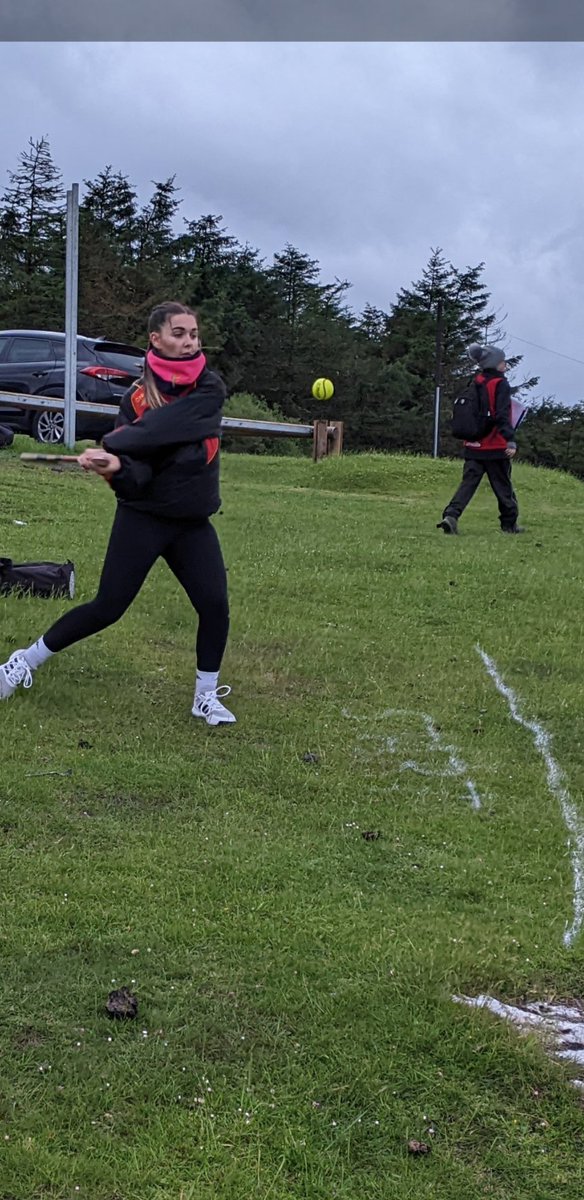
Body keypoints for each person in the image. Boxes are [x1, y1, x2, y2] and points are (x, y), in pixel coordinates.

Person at [0, 300, 236, 725]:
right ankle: (22, 661)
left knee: (214, 604)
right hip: (143, 517)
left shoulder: (209, 389)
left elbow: (172, 427)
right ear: (156, 339)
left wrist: (115, 445)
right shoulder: (137, 400)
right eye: (179, 334)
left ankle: (205, 696)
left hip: (191, 521)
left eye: (194, 334)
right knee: (108, 607)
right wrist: (117, 467)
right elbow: (140, 474)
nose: (189, 342)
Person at [437, 343, 524, 536]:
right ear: (495, 364)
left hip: (473, 445)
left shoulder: (476, 381)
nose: (505, 365)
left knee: (467, 485)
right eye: (502, 362)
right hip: (495, 446)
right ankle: (509, 524)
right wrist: (510, 440)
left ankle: (451, 515)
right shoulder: (500, 384)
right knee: (503, 486)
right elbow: (502, 415)